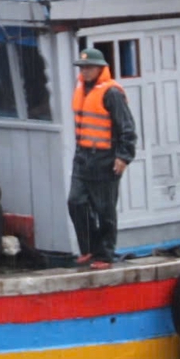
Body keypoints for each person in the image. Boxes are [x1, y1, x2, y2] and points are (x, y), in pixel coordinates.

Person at [68, 47, 138, 262]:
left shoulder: (112, 93)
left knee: (105, 210)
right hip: (83, 158)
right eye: (82, 67)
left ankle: (104, 255)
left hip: (106, 160)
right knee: (75, 202)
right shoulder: (81, 89)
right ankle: (88, 248)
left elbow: (127, 128)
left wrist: (123, 157)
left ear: (100, 68)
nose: (85, 71)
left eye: (89, 67)